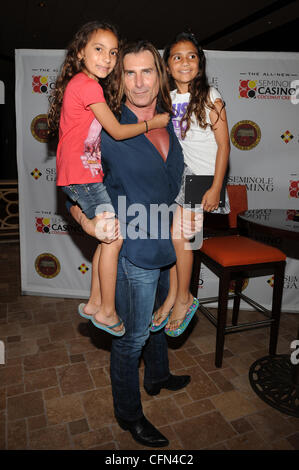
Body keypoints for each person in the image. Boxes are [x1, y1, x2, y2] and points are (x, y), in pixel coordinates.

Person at [69, 40, 203, 448]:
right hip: (133, 253)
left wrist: (192, 222)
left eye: (148, 71)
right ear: (118, 76)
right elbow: (74, 191)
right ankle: (129, 415)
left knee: (158, 323)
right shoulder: (105, 126)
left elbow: (182, 181)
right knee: (131, 339)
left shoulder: (171, 121)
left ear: (160, 75)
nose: (140, 82)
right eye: (130, 72)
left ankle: (158, 375)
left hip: (169, 242)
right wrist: (89, 225)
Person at [47, 21, 169, 337]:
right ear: (80, 52)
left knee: (106, 239)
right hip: (83, 178)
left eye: (113, 52)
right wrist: (152, 124)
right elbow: (115, 130)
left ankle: (93, 304)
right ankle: (106, 310)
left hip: (83, 176)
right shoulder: (87, 85)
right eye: (98, 49)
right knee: (113, 239)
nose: (107, 58)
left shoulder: (84, 84)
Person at [150, 31, 230, 337]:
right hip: (180, 177)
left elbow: (224, 146)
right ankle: (174, 295)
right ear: (167, 66)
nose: (185, 62)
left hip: (204, 179)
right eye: (177, 57)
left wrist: (215, 186)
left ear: (201, 62)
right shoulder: (167, 99)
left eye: (192, 56)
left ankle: (183, 297)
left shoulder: (212, 96)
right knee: (176, 240)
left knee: (181, 239)